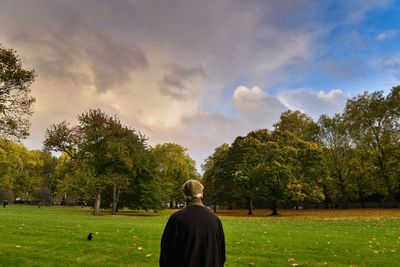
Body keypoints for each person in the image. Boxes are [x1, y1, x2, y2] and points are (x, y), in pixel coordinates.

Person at [160, 180, 226, 267]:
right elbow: (221, 254)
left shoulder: (176, 219)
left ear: (183, 195)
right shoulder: (215, 219)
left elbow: (166, 254)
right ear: (201, 194)